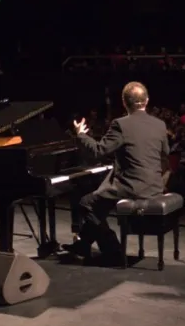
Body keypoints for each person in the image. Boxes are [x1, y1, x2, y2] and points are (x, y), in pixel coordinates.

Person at [69, 81, 169, 261]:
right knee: (101, 200)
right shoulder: (160, 125)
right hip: (155, 186)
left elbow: (99, 151)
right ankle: (83, 245)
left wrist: (81, 135)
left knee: (86, 203)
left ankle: (112, 249)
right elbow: (164, 155)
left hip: (132, 187)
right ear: (147, 100)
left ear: (124, 103)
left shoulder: (120, 124)